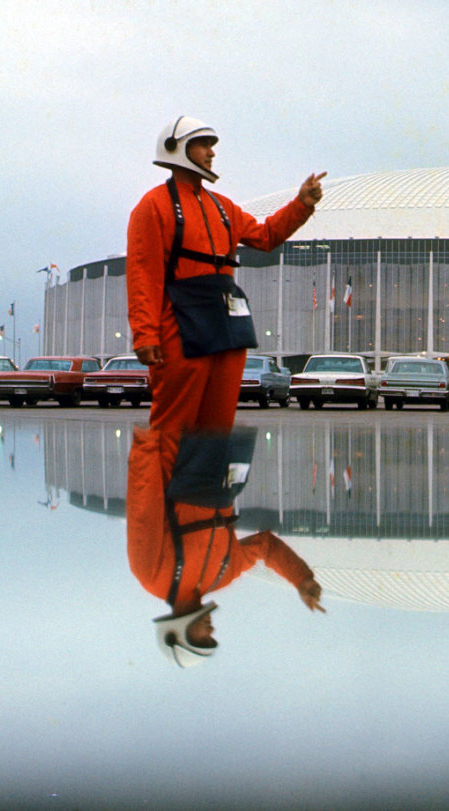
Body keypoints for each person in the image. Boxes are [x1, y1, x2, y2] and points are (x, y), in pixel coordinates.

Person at [127, 116, 326, 432]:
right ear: (177, 148)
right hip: (178, 326)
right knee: (174, 423)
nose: (212, 153)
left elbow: (265, 236)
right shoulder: (153, 206)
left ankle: (213, 465)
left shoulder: (223, 207)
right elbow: (143, 274)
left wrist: (301, 205)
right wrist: (145, 334)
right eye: (203, 145)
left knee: (218, 424)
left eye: (211, 146)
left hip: (226, 325)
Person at [127, 426, 325, 667]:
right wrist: (301, 579)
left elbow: (143, 508)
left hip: (191, 467)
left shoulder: (153, 578)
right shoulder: (223, 576)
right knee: (244, 413)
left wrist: (145, 443)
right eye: (212, 638)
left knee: (213, 414)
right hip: (232, 473)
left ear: (177, 634)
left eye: (203, 639)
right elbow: (265, 545)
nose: (211, 631)